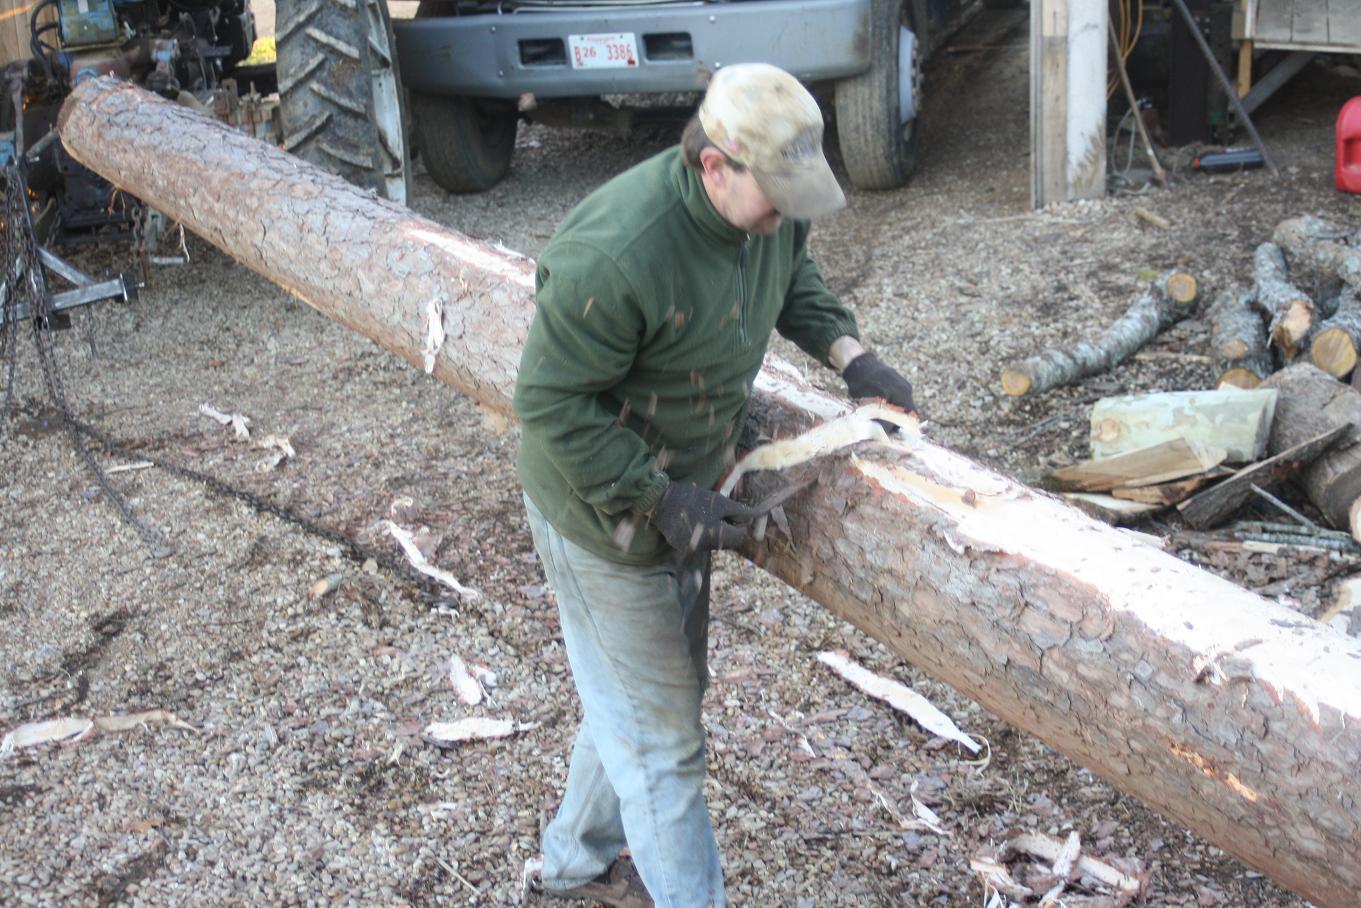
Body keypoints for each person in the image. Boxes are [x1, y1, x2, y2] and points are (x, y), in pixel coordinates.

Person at [513, 62, 917, 908]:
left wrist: (852, 356)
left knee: (640, 702)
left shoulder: (763, 214)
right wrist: (657, 498)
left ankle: (573, 868)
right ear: (712, 166)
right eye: (773, 195)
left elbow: (791, 273)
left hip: (683, 485)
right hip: (601, 517)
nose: (783, 214)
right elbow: (548, 403)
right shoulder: (615, 253)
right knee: (663, 745)